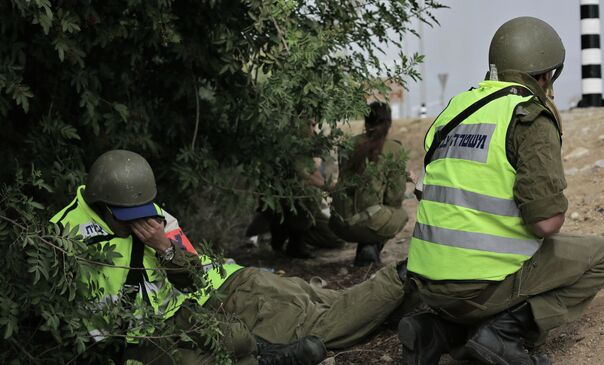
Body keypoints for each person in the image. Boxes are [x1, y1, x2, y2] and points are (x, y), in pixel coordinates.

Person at [51, 149, 414, 365]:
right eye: (128, 218)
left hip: (228, 293)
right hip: (214, 303)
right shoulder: (63, 237)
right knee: (335, 307)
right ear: (103, 206)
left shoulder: (151, 216)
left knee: (327, 322)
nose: (140, 223)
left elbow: (193, 277)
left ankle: (403, 279)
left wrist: (164, 248)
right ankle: (408, 289)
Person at [398, 17, 604, 365]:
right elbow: (545, 223)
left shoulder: (453, 111)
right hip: (476, 287)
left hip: (427, 283)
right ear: (544, 75)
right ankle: (504, 336)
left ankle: (437, 332)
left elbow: (430, 193)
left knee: (489, 273)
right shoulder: (527, 116)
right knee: (602, 256)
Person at [329, 102, 409, 266]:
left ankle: (367, 245)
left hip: (338, 223)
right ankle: (371, 246)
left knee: (369, 213)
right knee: (401, 215)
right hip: (368, 223)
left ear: (365, 122)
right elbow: (395, 198)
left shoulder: (347, 145)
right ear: (388, 123)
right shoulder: (394, 149)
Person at [262, 119, 345, 259]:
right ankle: (293, 239)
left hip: (301, 211)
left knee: (336, 238)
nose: (314, 130)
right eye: (311, 125)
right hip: (283, 205)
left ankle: (291, 232)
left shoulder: (307, 145)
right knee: (308, 193)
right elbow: (306, 177)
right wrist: (332, 188)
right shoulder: (287, 144)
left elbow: (317, 174)